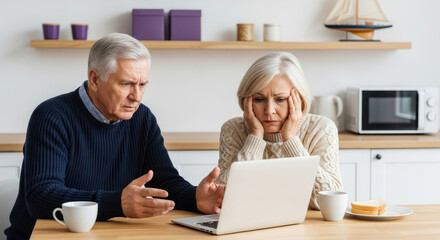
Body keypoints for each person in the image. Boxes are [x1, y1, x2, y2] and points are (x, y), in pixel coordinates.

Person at [5, 33, 225, 240]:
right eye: (126, 83)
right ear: (94, 79)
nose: (136, 96)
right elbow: (41, 197)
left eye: (142, 84)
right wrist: (117, 203)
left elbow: (165, 181)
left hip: (110, 234)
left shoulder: (142, 118)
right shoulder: (52, 116)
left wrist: (195, 197)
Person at [215, 52, 343, 209]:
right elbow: (220, 198)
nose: (269, 111)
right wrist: (255, 137)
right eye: (259, 99)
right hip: (249, 225)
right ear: (246, 100)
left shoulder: (321, 129)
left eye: (280, 99)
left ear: (300, 99)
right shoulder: (233, 129)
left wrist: (290, 140)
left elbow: (329, 202)